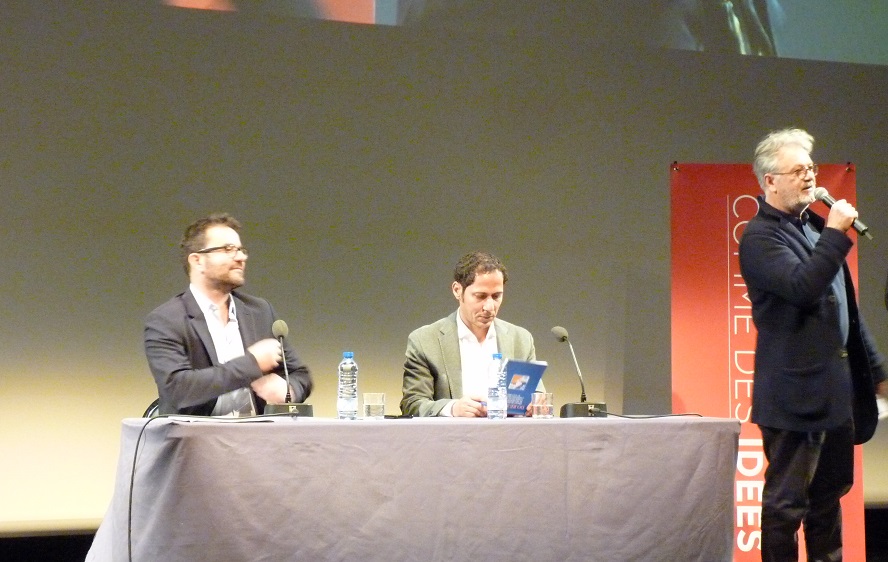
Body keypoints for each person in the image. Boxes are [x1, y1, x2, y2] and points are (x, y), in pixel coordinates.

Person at [738, 128, 886, 561]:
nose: (809, 177)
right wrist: (837, 236)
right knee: (786, 506)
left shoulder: (815, 227)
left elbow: (845, 311)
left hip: (833, 395)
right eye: (798, 170)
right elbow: (803, 288)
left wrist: (876, 372)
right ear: (770, 181)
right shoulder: (761, 238)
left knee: (828, 501)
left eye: (811, 168)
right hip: (793, 398)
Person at [145, 213, 312, 416]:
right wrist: (252, 363)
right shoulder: (166, 320)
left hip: (258, 437)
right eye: (228, 249)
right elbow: (178, 389)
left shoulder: (260, 312)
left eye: (241, 250)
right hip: (196, 440)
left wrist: (288, 390)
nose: (241, 257)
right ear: (197, 261)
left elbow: (300, 375)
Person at [400, 251, 536, 417]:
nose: (490, 307)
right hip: (451, 439)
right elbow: (412, 403)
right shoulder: (425, 341)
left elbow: (536, 394)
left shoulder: (521, 339)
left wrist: (537, 403)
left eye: (496, 296)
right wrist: (452, 408)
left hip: (508, 439)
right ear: (458, 290)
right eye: (480, 296)